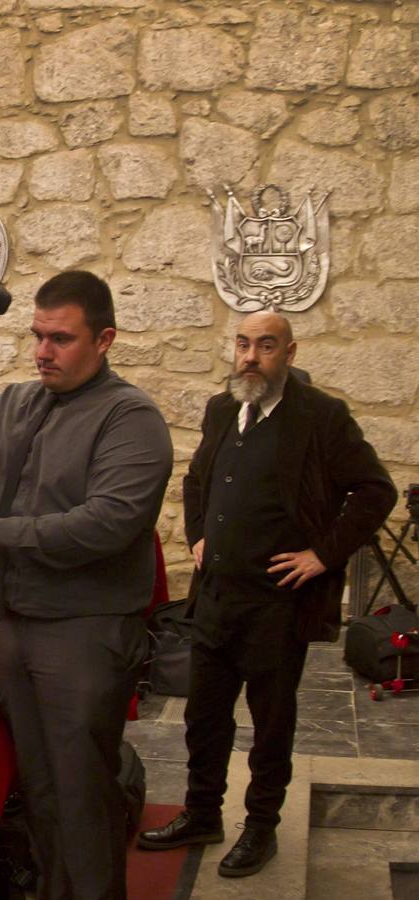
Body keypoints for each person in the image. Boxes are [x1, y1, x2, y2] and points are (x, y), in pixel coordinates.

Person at [0, 271, 172, 900]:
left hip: (85, 630)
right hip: (17, 623)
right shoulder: (17, 402)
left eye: (61, 339)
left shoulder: (131, 417)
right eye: (37, 336)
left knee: (83, 792)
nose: (44, 351)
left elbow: (111, 523)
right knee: (40, 789)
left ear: (104, 340)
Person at [140, 312, 394, 878]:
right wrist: (200, 533)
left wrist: (323, 555)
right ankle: (203, 813)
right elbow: (197, 479)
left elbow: (376, 490)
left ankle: (260, 828)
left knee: (270, 725)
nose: (251, 356)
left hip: (277, 606)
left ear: (290, 353)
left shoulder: (321, 417)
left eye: (266, 346)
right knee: (204, 719)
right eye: (243, 343)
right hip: (217, 599)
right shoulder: (222, 408)